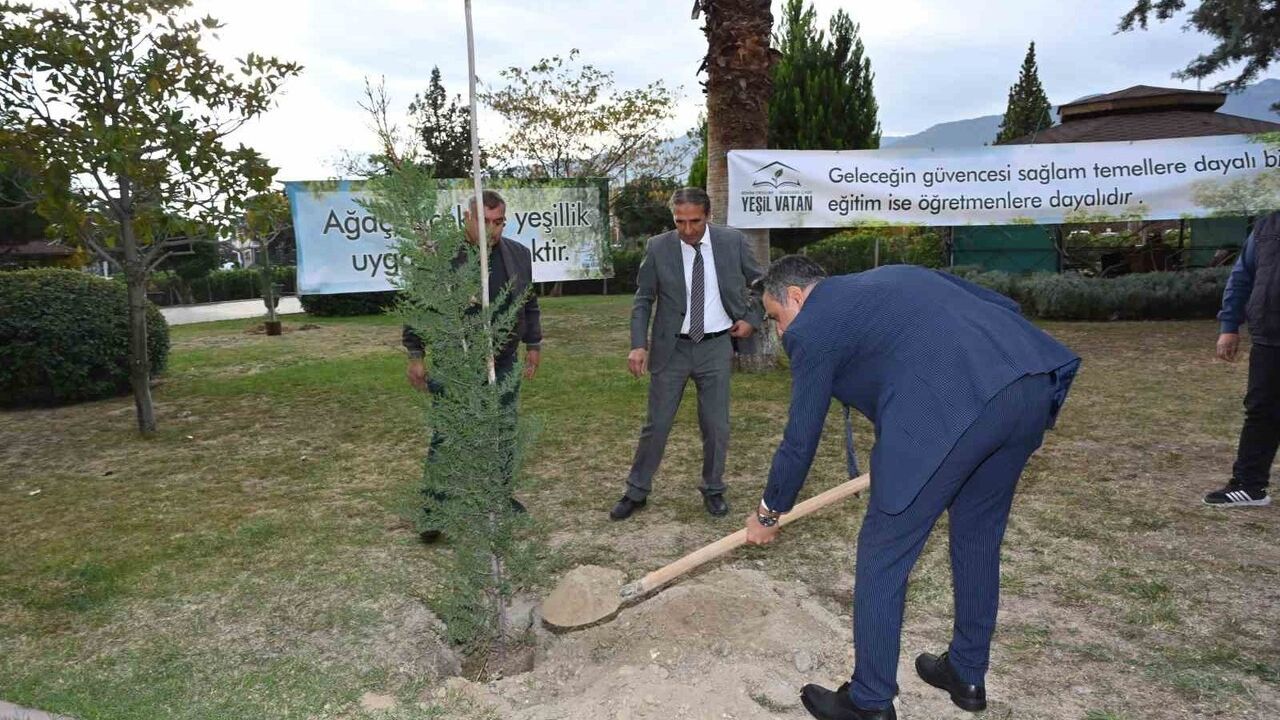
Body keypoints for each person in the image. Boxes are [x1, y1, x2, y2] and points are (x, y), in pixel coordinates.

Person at [743, 257, 1080, 720]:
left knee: (883, 554)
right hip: (1026, 383)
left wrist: (768, 512)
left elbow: (801, 438)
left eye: (776, 318)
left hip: (952, 410)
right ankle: (966, 672)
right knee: (978, 534)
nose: (781, 333)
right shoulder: (892, 277)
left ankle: (869, 700)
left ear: (797, 296)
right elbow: (1002, 304)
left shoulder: (813, 326)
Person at [610, 187, 763, 521]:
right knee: (657, 425)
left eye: (695, 221)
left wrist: (751, 319)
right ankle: (636, 491)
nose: (688, 230)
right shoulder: (658, 247)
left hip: (716, 346)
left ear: (707, 216)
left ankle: (714, 489)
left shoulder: (732, 242)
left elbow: (761, 283)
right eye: (680, 222)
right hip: (672, 348)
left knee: (716, 425)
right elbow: (643, 298)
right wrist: (638, 344)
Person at [403, 189, 543, 540]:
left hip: (505, 361)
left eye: (499, 222)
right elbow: (419, 309)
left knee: (504, 433)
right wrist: (415, 355)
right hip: (456, 364)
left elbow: (529, 303)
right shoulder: (440, 256)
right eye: (484, 221)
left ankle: (499, 497)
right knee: (449, 437)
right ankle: (434, 511)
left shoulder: (518, 255)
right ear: (467, 218)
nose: (492, 230)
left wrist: (534, 344)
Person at [1204, 212, 1280, 507]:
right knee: (1261, 412)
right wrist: (1229, 326)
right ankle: (1249, 486)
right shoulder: (1266, 227)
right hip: (1269, 337)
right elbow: (1242, 276)